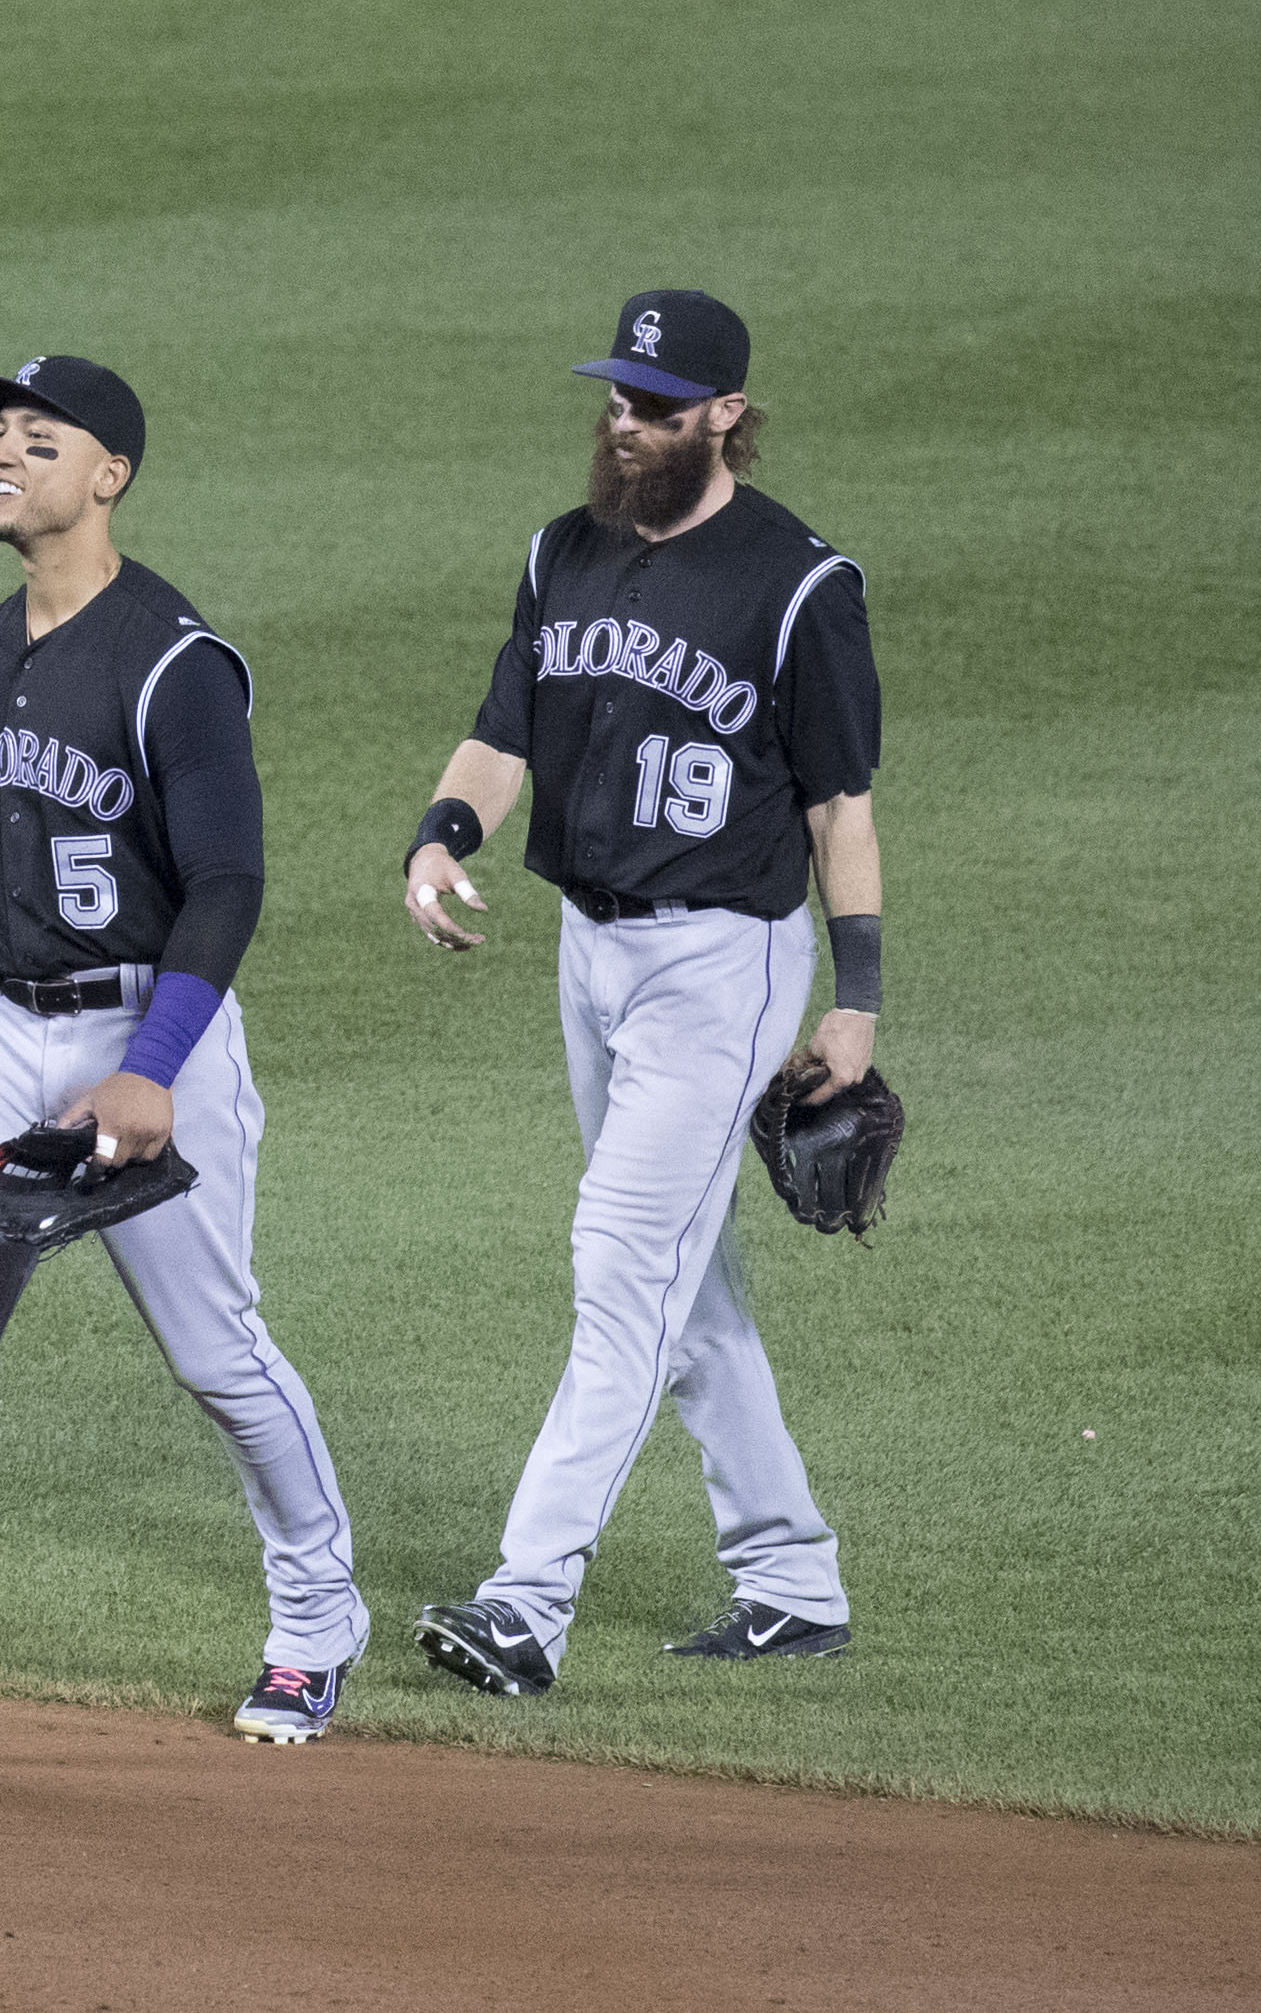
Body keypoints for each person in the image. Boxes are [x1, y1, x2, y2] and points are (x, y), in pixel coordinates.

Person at [0, 355, 368, 1759]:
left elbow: (225, 880)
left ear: (108, 477)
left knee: (215, 1354)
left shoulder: (174, 661)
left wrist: (149, 1065)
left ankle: (317, 1610)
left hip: (151, 1031)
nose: (0, 454)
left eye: (38, 440)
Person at [399, 289, 879, 1696]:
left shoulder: (796, 585)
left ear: (723, 414)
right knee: (688, 1282)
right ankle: (789, 1579)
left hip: (718, 965)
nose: (624, 424)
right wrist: (440, 832)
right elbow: (503, 734)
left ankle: (522, 1604)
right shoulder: (563, 552)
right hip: (588, 953)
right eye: (613, 398)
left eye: (655, 407)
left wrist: (850, 1003)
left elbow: (839, 809)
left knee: (621, 1270)